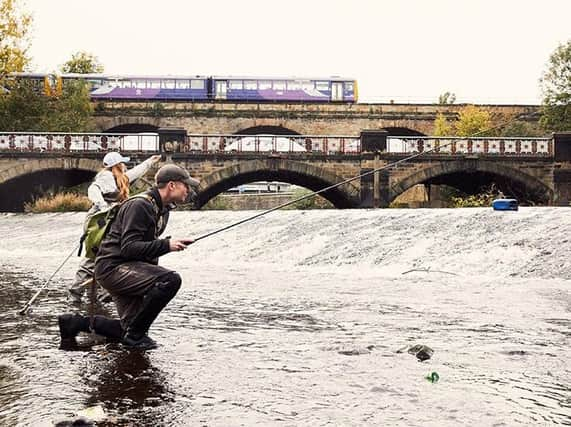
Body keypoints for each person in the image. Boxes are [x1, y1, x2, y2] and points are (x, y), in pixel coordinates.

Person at [58, 164, 199, 350]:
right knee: (170, 280)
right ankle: (135, 336)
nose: (188, 190)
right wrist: (167, 245)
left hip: (127, 269)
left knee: (128, 329)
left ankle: (74, 323)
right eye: (185, 185)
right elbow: (129, 247)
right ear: (172, 185)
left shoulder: (162, 210)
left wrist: (164, 248)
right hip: (112, 268)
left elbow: (144, 248)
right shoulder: (140, 205)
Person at [68, 151, 162, 303]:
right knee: (94, 257)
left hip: (109, 220)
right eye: (122, 163)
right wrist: (103, 206)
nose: (125, 165)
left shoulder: (120, 178)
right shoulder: (106, 177)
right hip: (100, 222)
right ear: (116, 165)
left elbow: (135, 172)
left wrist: (150, 161)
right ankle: (75, 295)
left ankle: (95, 296)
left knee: (104, 255)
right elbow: (93, 189)